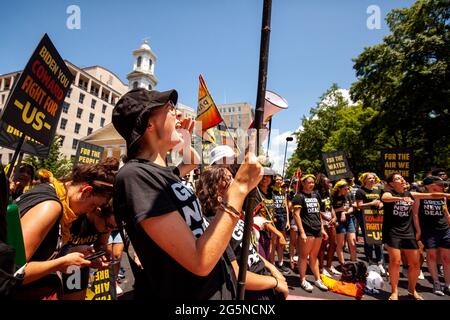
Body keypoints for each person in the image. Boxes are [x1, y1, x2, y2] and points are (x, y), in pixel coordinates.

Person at [112, 88, 263, 300]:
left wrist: (183, 138)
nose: (177, 113)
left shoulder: (164, 173)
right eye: (169, 108)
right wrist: (239, 189)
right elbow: (199, 261)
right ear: (149, 123)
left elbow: (193, 161)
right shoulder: (135, 175)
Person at [14, 159, 116, 299]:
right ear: (86, 191)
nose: (89, 211)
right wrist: (60, 263)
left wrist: (72, 252)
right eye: (93, 205)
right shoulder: (50, 207)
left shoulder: (58, 201)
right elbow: (13, 272)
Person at [196, 165, 288, 299]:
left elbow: (248, 249)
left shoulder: (235, 215)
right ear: (216, 190)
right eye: (228, 179)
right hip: (254, 292)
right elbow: (235, 272)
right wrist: (274, 283)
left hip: (265, 279)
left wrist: (272, 269)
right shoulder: (214, 225)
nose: (234, 182)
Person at [381, 172, 422, 300]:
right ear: (392, 184)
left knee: (415, 263)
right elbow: (385, 198)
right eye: (398, 178)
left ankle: (412, 290)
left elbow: (431, 195)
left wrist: (445, 194)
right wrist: (400, 199)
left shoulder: (411, 194)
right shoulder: (389, 193)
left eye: (402, 177)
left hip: (408, 232)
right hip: (392, 232)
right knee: (395, 261)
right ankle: (394, 291)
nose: (402, 179)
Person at [414, 176, 450, 296]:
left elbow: (446, 213)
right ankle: (436, 282)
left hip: (444, 229)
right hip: (429, 231)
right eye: (439, 184)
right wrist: (418, 231)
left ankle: (448, 284)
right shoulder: (420, 196)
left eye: (443, 185)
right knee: (432, 256)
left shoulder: (442, 196)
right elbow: (415, 214)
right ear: (429, 186)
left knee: (446, 257)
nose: (442, 187)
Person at [292, 174, 328, 292]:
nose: (311, 184)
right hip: (307, 230)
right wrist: (301, 232)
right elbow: (296, 215)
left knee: (314, 256)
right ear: (303, 183)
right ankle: (303, 280)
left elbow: (318, 213)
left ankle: (317, 279)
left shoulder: (316, 195)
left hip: (317, 229)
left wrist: (322, 229)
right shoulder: (298, 196)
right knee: (303, 256)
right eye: (309, 182)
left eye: (313, 182)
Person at [355, 172, 386, 275]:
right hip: (365, 218)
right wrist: (371, 203)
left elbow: (383, 200)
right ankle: (370, 260)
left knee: (378, 240)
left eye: (373, 178)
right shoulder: (360, 191)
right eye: (369, 178)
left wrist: (381, 204)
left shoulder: (379, 189)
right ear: (364, 180)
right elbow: (359, 206)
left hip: (378, 217)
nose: (372, 180)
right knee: (368, 241)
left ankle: (380, 262)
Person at [316, 174, 339, 277]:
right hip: (321, 220)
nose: (329, 184)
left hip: (330, 219)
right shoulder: (316, 194)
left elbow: (331, 207)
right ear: (322, 183)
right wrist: (325, 218)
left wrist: (334, 217)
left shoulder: (328, 193)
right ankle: (321, 267)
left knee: (334, 244)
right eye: (327, 182)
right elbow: (316, 210)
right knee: (323, 244)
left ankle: (329, 266)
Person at [332, 180, 357, 266]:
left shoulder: (349, 195)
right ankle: (343, 264)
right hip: (338, 221)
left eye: (348, 189)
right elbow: (330, 209)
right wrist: (341, 210)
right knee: (341, 244)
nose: (347, 191)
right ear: (339, 189)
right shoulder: (333, 196)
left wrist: (345, 212)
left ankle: (354, 263)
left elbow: (351, 208)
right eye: (345, 189)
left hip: (349, 219)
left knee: (353, 243)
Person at [271, 174, 291, 274]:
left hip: (283, 216)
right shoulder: (271, 191)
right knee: (273, 242)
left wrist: (287, 220)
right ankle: (272, 263)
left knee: (281, 242)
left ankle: (281, 262)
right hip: (275, 217)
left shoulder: (284, 192)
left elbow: (286, 206)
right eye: (277, 180)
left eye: (280, 180)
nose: (279, 181)